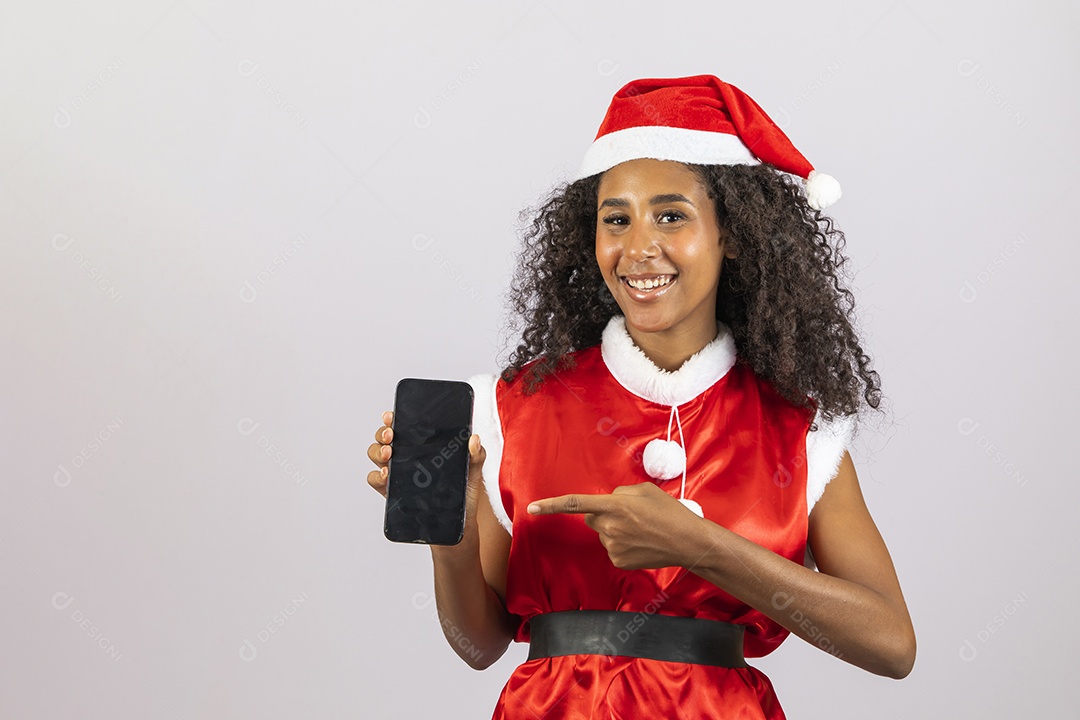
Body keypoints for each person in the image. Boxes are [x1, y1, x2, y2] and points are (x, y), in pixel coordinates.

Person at [367, 74, 915, 719]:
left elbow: (891, 645)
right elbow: (478, 644)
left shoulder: (800, 429)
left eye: (671, 216)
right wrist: (451, 524)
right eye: (616, 219)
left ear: (731, 235)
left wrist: (700, 546)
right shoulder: (517, 407)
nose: (636, 247)